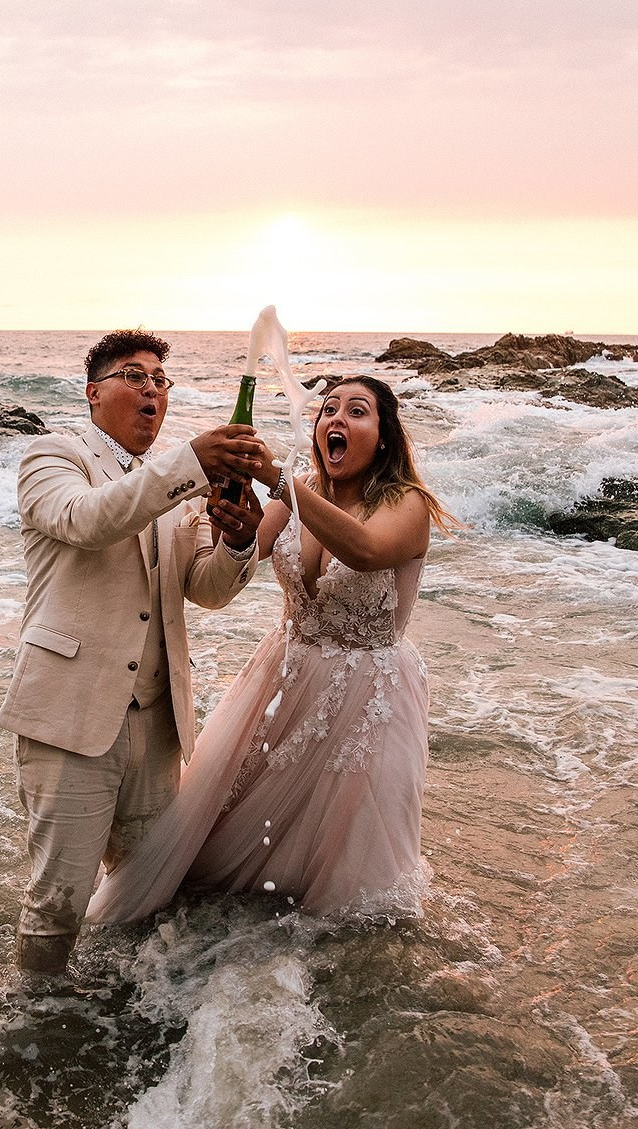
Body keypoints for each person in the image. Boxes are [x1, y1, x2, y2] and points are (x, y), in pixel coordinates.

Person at [85, 374, 454, 926]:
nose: (337, 419)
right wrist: (224, 516)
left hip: (369, 688)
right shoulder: (305, 486)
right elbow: (237, 555)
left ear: (383, 437)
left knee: (349, 862)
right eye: (328, 409)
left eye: (357, 412)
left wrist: (278, 481)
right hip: (283, 671)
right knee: (214, 831)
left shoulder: (407, 503)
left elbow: (366, 550)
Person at [0, 329, 269, 978]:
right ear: (93, 393)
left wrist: (237, 543)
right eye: (134, 376)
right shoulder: (53, 457)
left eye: (160, 381)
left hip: (157, 724)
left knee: (145, 897)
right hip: (70, 717)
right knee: (57, 901)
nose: (152, 389)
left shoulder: (173, 482)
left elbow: (203, 588)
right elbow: (88, 520)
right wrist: (190, 465)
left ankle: (125, 1016)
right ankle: (35, 1026)